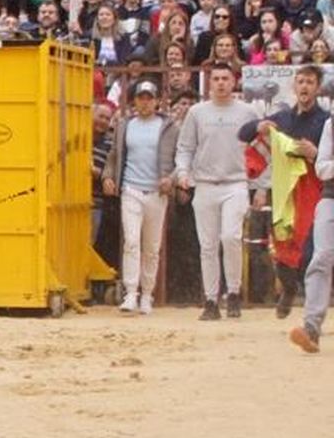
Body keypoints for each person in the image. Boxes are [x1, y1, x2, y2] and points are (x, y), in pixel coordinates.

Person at [240, 65, 328, 317]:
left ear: (317, 88)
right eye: (301, 81)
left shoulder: (326, 121)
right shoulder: (283, 119)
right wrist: (259, 126)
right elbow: (243, 133)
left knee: (310, 248)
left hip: (315, 190)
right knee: (282, 245)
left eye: (310, 82)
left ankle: (312, 307)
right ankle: (289, 288)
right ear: (294, 86)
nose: (304, 86)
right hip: (284, 191)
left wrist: (316, 153)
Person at [174, 61, 257, 318]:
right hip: (205, 184)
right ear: (209, 83)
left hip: (236, 182)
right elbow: (185, 147)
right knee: (208, 245)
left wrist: (260, 185)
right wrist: (183, 172)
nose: (221, 83)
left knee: (230, 237)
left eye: (225, 79)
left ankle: (233, 292)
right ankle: (210, 300)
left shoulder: (247, 112)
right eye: (216, 79)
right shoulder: (197, 112)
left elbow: (259, 149)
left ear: (234, 82)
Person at [102, 80, 178, 314]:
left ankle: (147, 294)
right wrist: (108, 175)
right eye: (141, 98)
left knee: (152, 247)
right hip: (131, 188)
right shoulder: (125, 125)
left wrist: (171, 179)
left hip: (156, 191)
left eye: (149, 98)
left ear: (157, 101)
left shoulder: (169, 127)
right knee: (132, 242)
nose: (145, 103)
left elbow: (180, 158)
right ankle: (131, 292)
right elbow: (114, 154)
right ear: (134, 101)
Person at [292, 109, 334, 352]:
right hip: (331, 197)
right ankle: (311, 327)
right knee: (321, 257)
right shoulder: (331, 124)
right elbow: (322, 168)